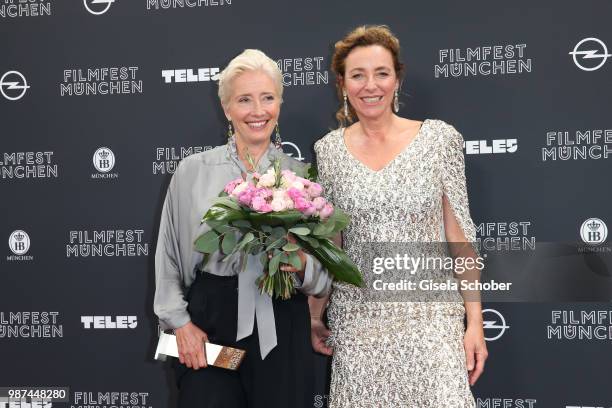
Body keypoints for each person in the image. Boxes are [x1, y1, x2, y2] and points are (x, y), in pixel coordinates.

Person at [309, 26, 488, 406]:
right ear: (342, 83)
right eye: (358, 75)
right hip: (359, 323)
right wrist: (314, 314)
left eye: (381, 73)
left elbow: (460, 237)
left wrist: (474, 322)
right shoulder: (328, 152)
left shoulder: (439, 140)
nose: (369, 85)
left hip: (431, 320)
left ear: (397, 79)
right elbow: (332, 245)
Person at [154, 49, 332, 408]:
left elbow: (324, 275)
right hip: (210, 325)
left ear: (279, 104)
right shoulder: (192, 172)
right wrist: (180, 324)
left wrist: (302, 264)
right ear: (226, 108)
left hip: (282, 322)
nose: (257, 111)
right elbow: (169, 256)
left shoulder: (301, 176)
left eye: (267, 98)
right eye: (244, 99)